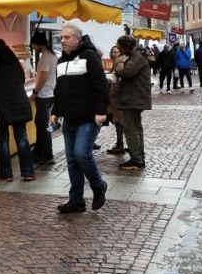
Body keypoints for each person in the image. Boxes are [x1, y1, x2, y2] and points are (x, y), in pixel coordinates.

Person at [50, 23, 109, 213]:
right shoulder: (61, 61)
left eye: (67, 38)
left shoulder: (89, 57)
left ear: (78, 38)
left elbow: (101, 86)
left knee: (81, 154)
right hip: (69, 120)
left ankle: (98, 185)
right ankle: (76, 199)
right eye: (61, 38)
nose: (63, 41)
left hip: (88, 118)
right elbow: (59, 90)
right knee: (72, 160)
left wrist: (101, 111)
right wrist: (55, 111)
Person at [0, 39, 36, 181]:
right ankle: (28, 172)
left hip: (2, 105)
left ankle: (6, 174)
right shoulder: (14, 60)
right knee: (22, 138)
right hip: (20, 103)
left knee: (3, 139)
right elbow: (22, 79)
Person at [113, 35, 151, 170]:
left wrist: (120, 64)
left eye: (121, 48)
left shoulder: (137, 58)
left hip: (133, 98)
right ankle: (139, 157)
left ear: (125, 46)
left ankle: (136, 159)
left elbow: (125, 73)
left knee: (130, 129)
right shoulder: (137, 56)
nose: (120, 51)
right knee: (136, 128)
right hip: (134, 98)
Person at [30, 32, 58, 164]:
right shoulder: (52, 55)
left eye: (33, 45)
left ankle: (47, 153)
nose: (33, 47)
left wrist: (35, 91)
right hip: (50, 93)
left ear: (37, 44)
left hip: (44, 94)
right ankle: (39, 149)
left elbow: (43, 77)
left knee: (43, 124)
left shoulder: (45, 57)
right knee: (40, 122)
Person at [104, 44, 126, 155]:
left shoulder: (119, 62)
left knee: (118, 121)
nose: (114, 54)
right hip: (116, 96)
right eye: (112, 52)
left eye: (116, 52)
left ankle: (120, 144)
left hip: (116, 96)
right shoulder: (117, 62)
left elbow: (117, 80)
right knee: (118, 121)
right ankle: (120, 143)